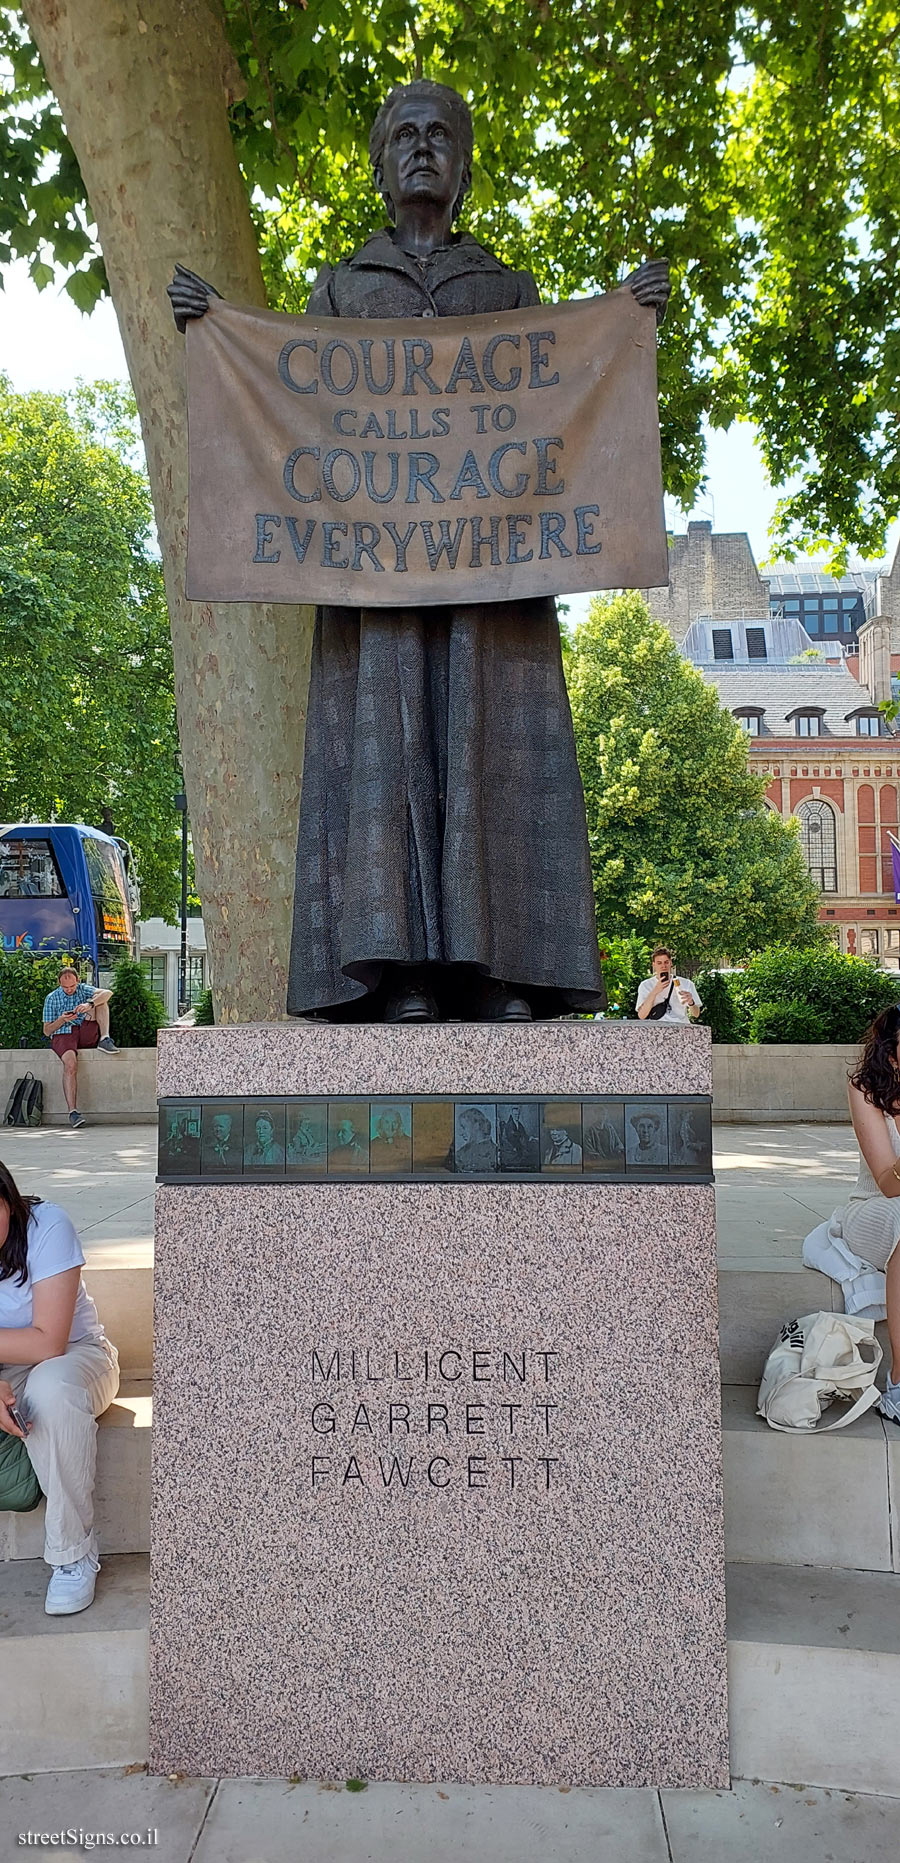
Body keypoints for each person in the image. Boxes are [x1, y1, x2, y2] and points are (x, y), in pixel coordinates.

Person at [169, 80, 669, 1026]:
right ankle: (394, 969)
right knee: (387, 752)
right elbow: (287, 402)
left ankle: (495, 966)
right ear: (379, 161)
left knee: (491, 748)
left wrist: (622, 316)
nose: (424, 148)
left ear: (465, 163)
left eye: (443, 134)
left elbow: (566, 385)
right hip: (375, 580)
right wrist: (218, 329)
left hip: (495, 576)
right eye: (405, 133)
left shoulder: (506, 288)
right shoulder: (342, 287)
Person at [0, 1161, 119, 1614]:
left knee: (49, 1391)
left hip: (76, 1358)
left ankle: (74, 1554)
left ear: (8, 1202)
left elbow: (48, 1340)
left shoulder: (47, 1225)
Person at [803, 1007, 900, 1425]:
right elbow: (886, 1180)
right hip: (874, 1210)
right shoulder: (866, 1089)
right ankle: (898, 1383)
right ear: (892, 1055)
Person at [42, 966, 118, 1130]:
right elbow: (47, 1030)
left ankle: (105, 1038)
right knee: (70, 1064)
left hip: (84, 1030)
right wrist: (62, 1019)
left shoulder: (83, 989)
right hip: (63, 1033)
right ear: (59, 984)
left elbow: (108, 993)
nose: (69, 990)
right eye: (65, 987)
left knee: (100, 1000)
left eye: (72, 986)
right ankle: (73, 1112)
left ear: (78, 981)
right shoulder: (51, 998)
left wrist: (89, 1004)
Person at [635, 948, 701, 1025]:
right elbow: (642, 1015)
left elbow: (696, 1014)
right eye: (659, 963)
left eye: (666, 962)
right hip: (656, 1028)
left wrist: (691, 1002)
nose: (663, 966)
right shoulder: (646, 985)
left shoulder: (686, 983)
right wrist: (655, 991)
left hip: (680, 1026)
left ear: (671, 963)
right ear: (654, 965)